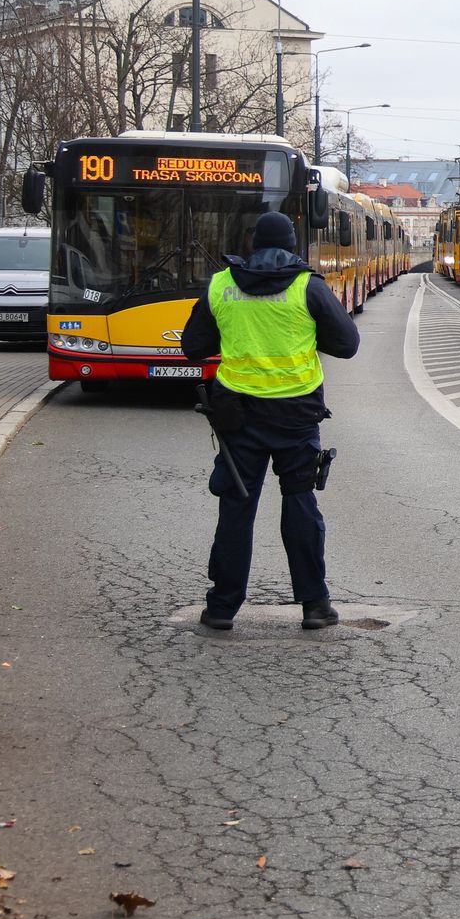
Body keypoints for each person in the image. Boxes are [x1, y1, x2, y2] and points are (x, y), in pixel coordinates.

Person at [180, 210, 360, 631]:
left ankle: (222, 607)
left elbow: (193, 346)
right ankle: (315, 605)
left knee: (236, 508)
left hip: (236, 415)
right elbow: (347, 344)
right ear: (292, 245)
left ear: (252, 244)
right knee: (300, 503)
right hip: (296, 416)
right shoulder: (308, 287)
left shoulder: (221, 284)